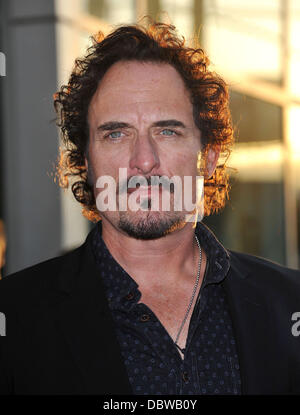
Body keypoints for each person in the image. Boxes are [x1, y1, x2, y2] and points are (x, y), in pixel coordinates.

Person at [0, 21, 299, 396]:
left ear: (207, 158)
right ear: (85, 164)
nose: (143, 161)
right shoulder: (14, 319)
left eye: (167, 131)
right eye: (116, 133)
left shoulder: (290, 304)